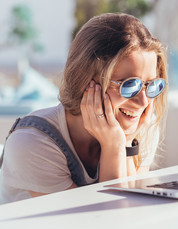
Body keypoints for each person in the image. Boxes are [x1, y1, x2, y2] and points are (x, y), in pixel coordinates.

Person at [0, 13, 168, 204]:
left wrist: (127, 141)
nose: (143, 102)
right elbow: (108, 222)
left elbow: (132, 209)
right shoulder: (32, 144)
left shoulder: (138, 126)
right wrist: (114, 146)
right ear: (84, 80)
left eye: (152, 86)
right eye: (129, 85)